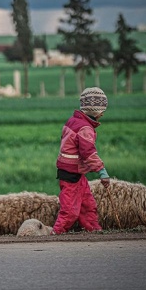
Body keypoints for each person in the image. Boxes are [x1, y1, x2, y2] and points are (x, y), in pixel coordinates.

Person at [52, 87, 110, 235]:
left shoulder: (73, 121)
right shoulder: (85, 128)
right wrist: (102, 172)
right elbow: (88, 153)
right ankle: (56, 235)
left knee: (88, 206)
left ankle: (94, 231)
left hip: (76, 173)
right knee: (70, 211)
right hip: (70, 175)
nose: (103, 113)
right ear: (94, 111)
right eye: (102, 109)